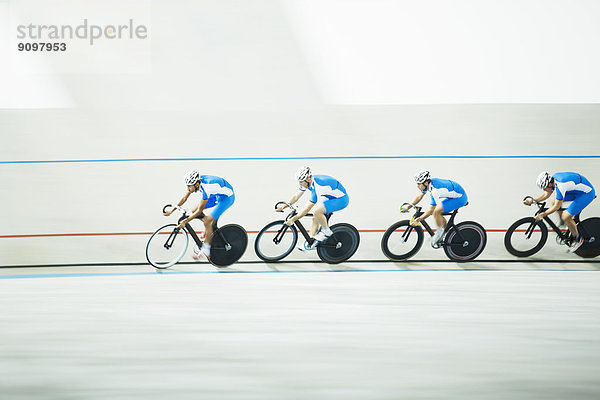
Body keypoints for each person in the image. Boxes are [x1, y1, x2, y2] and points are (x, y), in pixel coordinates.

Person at [163, 170, 235, 259]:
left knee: (207, 221)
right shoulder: (196, 182)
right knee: (194, 210)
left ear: (196, 185)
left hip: (227, 198)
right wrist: (172, 211)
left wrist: (185, 221)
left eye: (189, 186)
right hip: (217, 194)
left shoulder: (207, 189)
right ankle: (209, 229)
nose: (188, 189)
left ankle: (207, 248)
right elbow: (184, 198)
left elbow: (199, 210)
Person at [276, 166, 349, 249]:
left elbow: (307, 209)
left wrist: (293, 219)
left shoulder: (318, 187)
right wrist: (283, 207)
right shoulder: (307, 181)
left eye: (301, 182)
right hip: (329, 196)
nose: (300, 184)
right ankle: (310, 242)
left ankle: (326, 231)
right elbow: (296, 196)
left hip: (341, 200)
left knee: (317, 211)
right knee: (316, 217)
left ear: (308, 179)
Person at [525, 171, 595, 253]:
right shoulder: (553, 180)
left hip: (586, 194)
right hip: (576, 190)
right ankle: (563, 222)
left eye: (544, 187)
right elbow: (547, 194)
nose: (544, 190)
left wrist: (542, 215)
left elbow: (556, 207)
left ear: (549, 184)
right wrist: (533, 201)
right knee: (554, 200)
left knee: (566, 216)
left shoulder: (561, 185)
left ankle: (578, 238)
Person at [406, 170, 468, 247]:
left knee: (436, 212)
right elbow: (419, 196)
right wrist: (408, 207)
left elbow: (431, 210)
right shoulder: (428, 184)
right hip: (455, 194)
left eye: (418, 184)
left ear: (425, 183)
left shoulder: (435, 191)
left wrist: (418, 219)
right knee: (439, 212)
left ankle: (439, 234)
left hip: (460, 198)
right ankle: (445, 230)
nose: (417, 186)